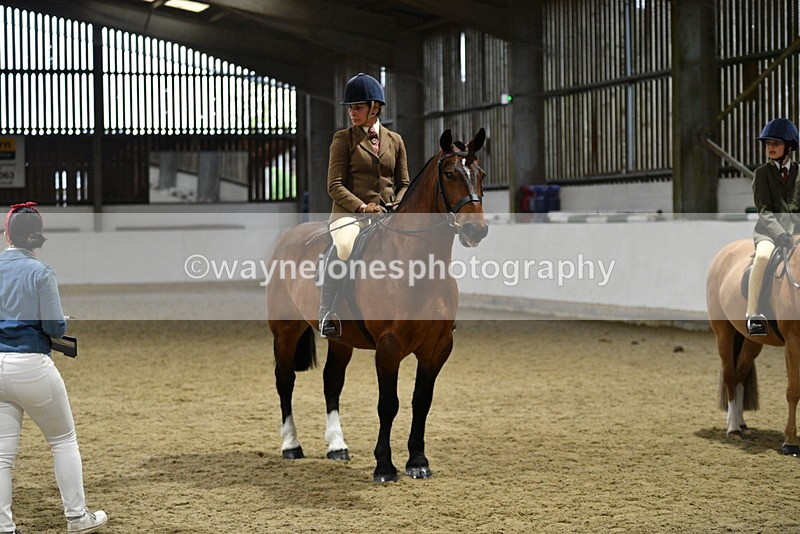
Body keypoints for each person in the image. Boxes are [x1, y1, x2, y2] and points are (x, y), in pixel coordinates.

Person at [0, 202, 107, 534]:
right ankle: (77, 518)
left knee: (2, 455)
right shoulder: (41, 272)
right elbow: (55, 328)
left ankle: (4, 525)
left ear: (7, 232)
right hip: (30, 364)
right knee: (63, 440)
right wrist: (62, 322)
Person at [319, 73, 411, 338]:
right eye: (350, 108)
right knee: (345, 246)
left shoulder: (395, 140)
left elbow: (404, 182)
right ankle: (328, 310)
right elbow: (334, 185)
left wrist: (399, 203)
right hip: (350, 215)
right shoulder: (343, 139)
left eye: (357, 107)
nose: (352, 112)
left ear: (375, 107)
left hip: (387, 215)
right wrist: (362, 207)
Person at [746, 118, 800, 336]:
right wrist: (780, 235)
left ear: (788, 147)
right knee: (762, 258)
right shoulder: (761, 174)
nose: (770, 147)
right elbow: (765, 211)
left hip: (797, 232)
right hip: (769, 232)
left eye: (775, 143)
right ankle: (753, 314)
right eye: (768, 143)